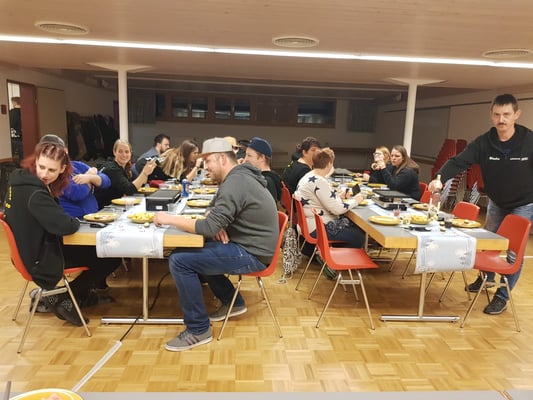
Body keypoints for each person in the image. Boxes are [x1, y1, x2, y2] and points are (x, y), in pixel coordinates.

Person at [153, 137, 278, 351]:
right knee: (193, 250)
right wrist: (217, 224)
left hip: (254, 253)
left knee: (180, 260)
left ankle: (198, 329)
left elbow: (208, 226)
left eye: (208, 161)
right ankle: (233, 302)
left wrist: (169, 219)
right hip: (251, 245)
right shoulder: (236, 178)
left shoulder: (236, 181)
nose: (205, 166)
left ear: (222, 159)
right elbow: (212, 209)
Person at [429, 93, 533, 315]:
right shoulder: (484, 143)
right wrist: (439, 178)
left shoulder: (529, 141)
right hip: (497, 201)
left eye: (506, 114)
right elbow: (458, 162)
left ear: (517, 114)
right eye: (497, 114)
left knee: (513, 252)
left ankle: (502, 296)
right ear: (491, 115)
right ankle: (487, 278)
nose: (501, 120)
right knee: (487, 243)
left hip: (524, 203)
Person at [4, 141, 118, 326]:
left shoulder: (19, 182)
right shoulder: (36, 193)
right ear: (36, 161)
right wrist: (74, 219)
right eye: (42, 167)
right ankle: (63, 297)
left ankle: (73, 297)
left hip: (29, 251)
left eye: (51, 170)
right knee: (111, 255)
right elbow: (66, 226)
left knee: (100, 253)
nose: (44, 174)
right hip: (42, 258)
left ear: (62, 169)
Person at [294, 147, 366, 249]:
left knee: (353, 230)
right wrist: (356, 200)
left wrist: (338, 196)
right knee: (358, 237)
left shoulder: (309, 175)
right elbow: (337, 209)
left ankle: (330, 252)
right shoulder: (319, 181)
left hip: (309, 224)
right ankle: (335, 256)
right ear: (329, 164)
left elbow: (321, 198)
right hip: (317, 227)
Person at [36, 135, 112, 219]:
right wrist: (90, 178)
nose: (51, 155)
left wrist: (90, 177)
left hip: (93, 217)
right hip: (73, 220)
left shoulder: (76, 165)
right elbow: (77, 193)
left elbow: (106, 181)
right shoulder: (50, 176)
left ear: (65, 151)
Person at [95, 139, 157, 209]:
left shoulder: (125, 167)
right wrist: (144, 173)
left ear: (131, 153)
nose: (124, 155)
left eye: (126, 152)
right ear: (114, 152)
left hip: (114, 205)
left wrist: (147, 172)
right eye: (120, 151)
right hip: (104, 208)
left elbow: (139, 185)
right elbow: (129, 189)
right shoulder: (111, 169)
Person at [135, 139, 202, 183]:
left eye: (197, 153)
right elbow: (185, 182)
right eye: (194, 153)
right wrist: (196, 166)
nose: (197, 155)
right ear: (187, 153)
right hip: (141, 167)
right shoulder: (176, 159)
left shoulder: (179, 155)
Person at [244, 136, 282, 202]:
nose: (245, 159)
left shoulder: (266, 183)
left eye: (249, 155)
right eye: (246, 155)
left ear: (262, 158)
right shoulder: (261, 178)